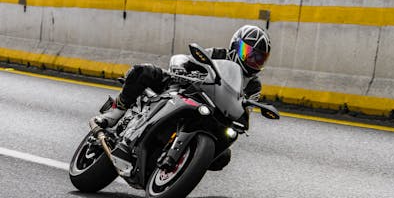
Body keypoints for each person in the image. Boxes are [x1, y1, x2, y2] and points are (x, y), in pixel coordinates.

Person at [95, 25, 271, 128]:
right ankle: (116, 111)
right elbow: (188, 58)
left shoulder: (254, 85)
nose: (253, 60)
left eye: (259, 58)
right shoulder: (219, 54)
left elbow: (245, 112)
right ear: (235, 45)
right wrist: (180, 67)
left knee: (223, 158)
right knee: (144, 71)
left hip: (211, 113)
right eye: (249, 53)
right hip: (184, 88)